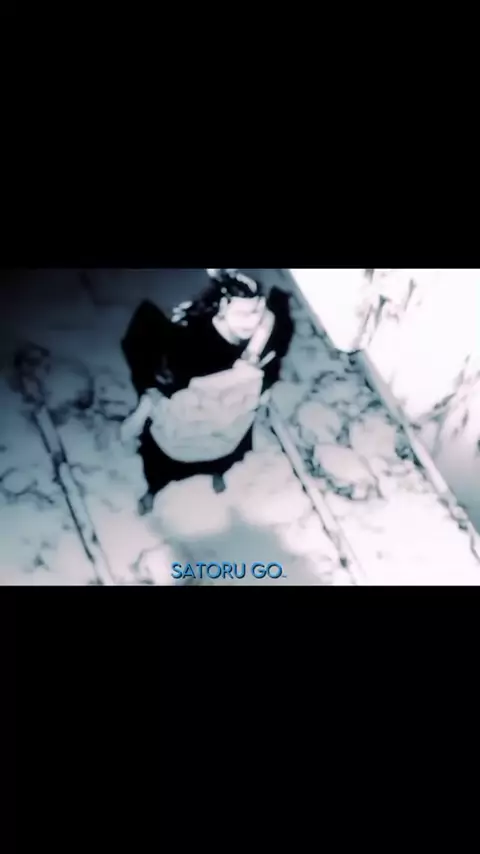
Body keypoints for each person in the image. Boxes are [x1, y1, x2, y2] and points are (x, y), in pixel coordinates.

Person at [120, 269, 293, 516]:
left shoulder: (266, 333)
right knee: (163, 467)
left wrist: (262, 390)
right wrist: (139, 417)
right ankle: (153, 491)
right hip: (185, 428)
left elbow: (272, 366)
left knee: (225, 456)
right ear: (222, 306)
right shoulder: (187, 344)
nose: (252, 321)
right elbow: (158, 390)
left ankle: (217, 473)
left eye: (257, 310)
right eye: (243, 313)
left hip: (230, 423)